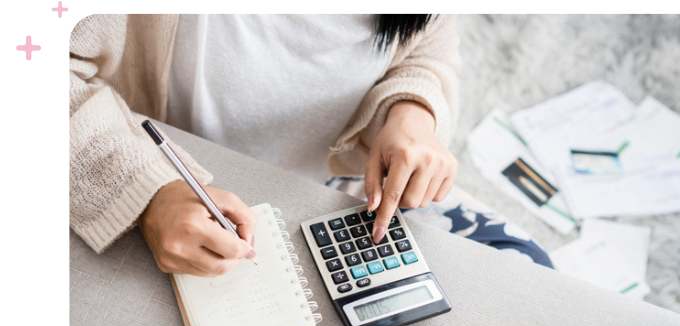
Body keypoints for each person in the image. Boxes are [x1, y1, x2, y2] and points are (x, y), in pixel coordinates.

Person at [70, 14, 552, 277]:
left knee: (526, 268)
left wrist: (413, 112)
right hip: (157, 180)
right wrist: (151, 194)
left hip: (335, 183)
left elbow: (429, 47)